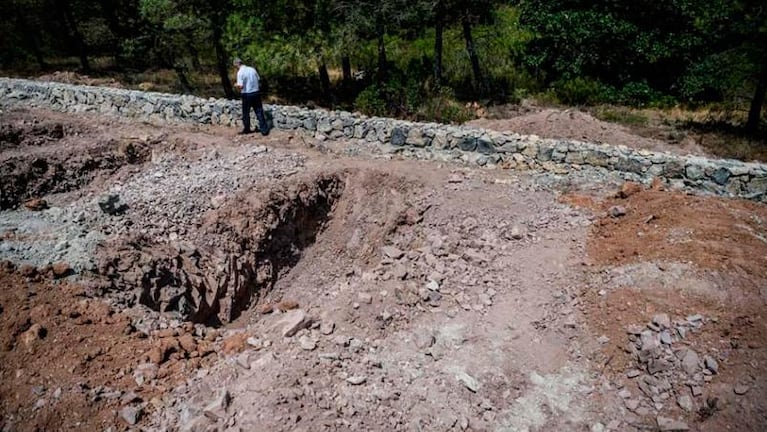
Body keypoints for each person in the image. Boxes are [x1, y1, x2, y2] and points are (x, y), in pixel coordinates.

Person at [233, 58, 269, 136]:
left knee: (246, 112)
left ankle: (247, 129)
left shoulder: (240, 72)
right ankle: (264, 130)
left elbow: (241, 86)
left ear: (236, 64)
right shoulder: (252, 69)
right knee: (259, 111)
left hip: (247, 94)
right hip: (256, 92)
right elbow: (258, 79)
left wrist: (236, 85)